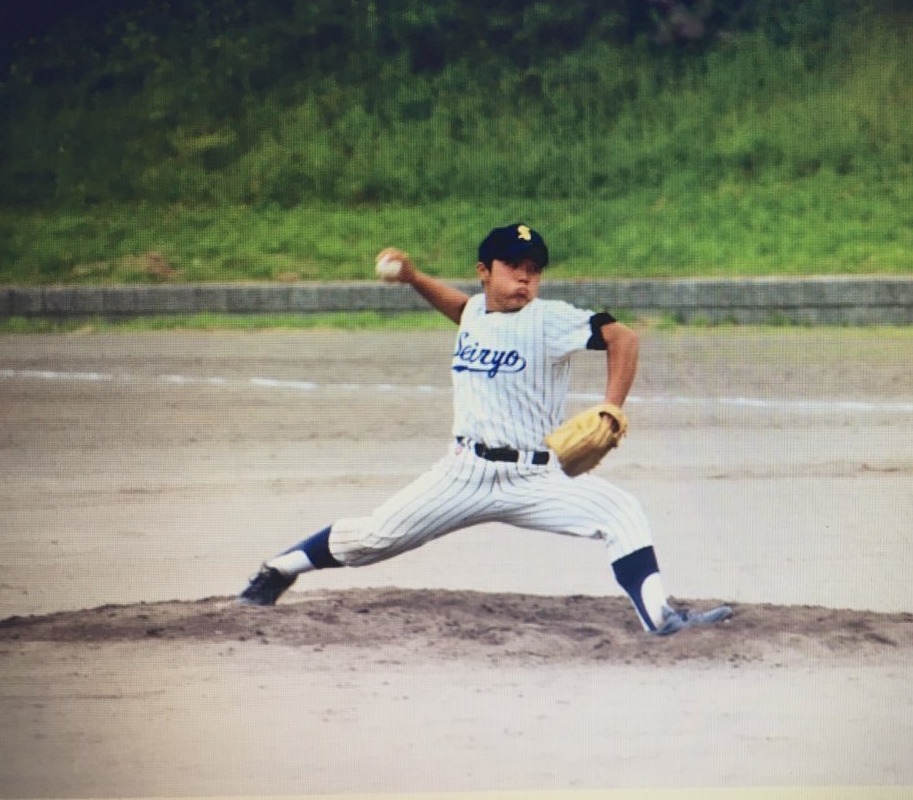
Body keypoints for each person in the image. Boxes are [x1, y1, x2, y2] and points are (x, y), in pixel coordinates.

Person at [237, 223, 732, 636]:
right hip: (463, 474)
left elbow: (622, 337)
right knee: (374, 537)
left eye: (534, 270)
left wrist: (609, 408)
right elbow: (461, 309)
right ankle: (277, 571)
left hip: (535, 478)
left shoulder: (550, 319)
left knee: (623, 512)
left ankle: (660, 618)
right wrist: (411, 276)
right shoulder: (476, 310)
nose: (526, 278)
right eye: (514, 267)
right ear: (485, 272)